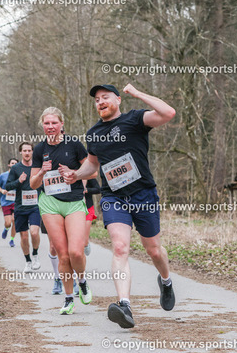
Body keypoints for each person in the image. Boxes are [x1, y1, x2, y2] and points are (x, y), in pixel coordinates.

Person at [61, 83, 176, 329]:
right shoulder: (93, 133)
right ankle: (124, 305)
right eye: (97, 100)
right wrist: (76, 175)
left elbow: (168, 113)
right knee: (120, 247)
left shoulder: (135, 120)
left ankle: (166, 281)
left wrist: (138, 93)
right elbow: (93, 164)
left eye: (105, 97)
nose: (100, 102)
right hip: (114, 197)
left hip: (143, 194)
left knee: (154, 250)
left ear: (118, 100)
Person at [29, 107, 93, 315]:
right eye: (46, 123)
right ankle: (68, 298)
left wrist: (74, 173)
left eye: (54, 123)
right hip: (49, 203)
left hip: (73, 202)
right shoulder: (39, 149)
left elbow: (92, 173)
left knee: (76, 251)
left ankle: (82, 281)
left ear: (62, 124)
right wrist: (41, 172)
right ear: (42, 125)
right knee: (63, 255)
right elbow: (32, 184)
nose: (50, 127)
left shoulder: (74, 144)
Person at [4, 143, 43, 272]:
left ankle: (35, 254)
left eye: (29, 150)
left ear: (32, 152)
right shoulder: (15, 168)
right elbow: (8, 186)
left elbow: (44, 183)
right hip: (20, 207)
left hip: (35, 206)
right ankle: (28, 261)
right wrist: (19, 181)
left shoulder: (37, 166)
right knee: (24, 236)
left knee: (34, 232)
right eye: (24, 151)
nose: (27, 153)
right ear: (20, 152)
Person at [0, 158, 18, 245]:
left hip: (16, 202)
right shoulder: (3, 175)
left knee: (14, 220)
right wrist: (2, 191)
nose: (14, 165)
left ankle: (12, 240)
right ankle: (6, 228)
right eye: (12, 163)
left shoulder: (20, 175)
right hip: (5, 202)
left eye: (16, 163)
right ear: (9, 165)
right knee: (8, 222)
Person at [83, 178, 101, 256]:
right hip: (73, 209)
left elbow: (98, 189)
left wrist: (87, 190)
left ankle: (86, 244)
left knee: (84, 240)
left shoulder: (88, 176)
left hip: (88, 208)